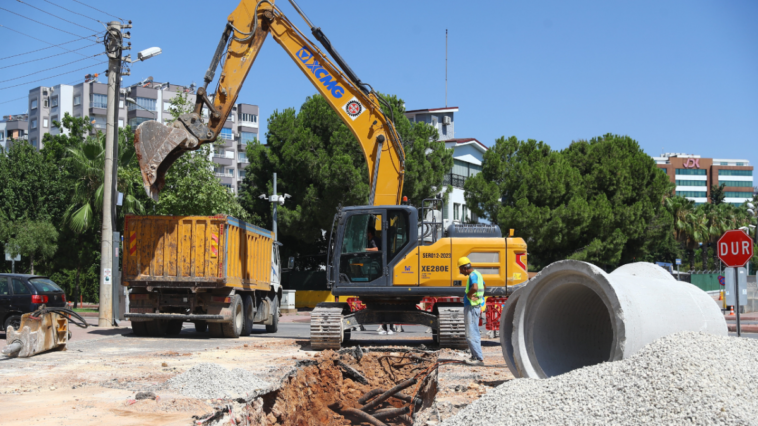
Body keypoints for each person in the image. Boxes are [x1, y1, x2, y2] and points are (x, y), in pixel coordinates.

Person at [458, 256, 484, 366]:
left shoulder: (473, 275)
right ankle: (474, 356)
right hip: (475, 305)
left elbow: (475, 287)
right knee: (472, 331)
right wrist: (479, 297)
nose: (460, 271)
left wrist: (470, 295)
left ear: (464, 268)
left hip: (472, 307)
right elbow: (484, 286)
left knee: (471, 332)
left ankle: (478, 358)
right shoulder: (478, 274)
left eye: (460, 269)